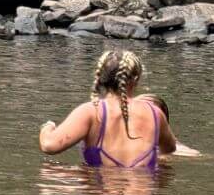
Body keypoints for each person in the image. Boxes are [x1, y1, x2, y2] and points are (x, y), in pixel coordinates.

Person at [38, 50, 177, 169]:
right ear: (136, 79)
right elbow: (169, 149)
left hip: (101, 193)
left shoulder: (92, 111)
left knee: (49, 171)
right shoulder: (155, 113)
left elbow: (49, 145)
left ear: (101, 77)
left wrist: (47, 127)